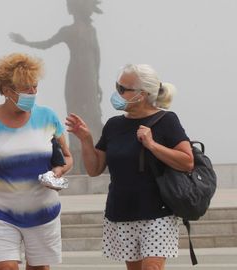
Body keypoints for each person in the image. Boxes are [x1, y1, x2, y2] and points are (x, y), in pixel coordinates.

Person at [65, 64, 194, 270]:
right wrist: (86, 140)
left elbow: (187, 161)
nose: (117, 93)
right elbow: (94, 169)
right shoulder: (114, 125)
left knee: (152, 267)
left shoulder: (166, 120)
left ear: (142, 94)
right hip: (122, 210)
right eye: (118, 86)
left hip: (158, 212)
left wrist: (152, 145)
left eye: (123, 89)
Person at [0, 53, 73, 270]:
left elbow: (67, 157)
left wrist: (57, 173)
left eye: (34, 86)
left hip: (43, 212)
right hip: (1, 214)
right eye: (25, 88)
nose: (32, 92)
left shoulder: (48, 117)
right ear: (5, 90)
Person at [9, 0, 104, 174]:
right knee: (74, 114)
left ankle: (97, 155)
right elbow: (46, 44)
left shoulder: (91, 31)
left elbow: (96, 57)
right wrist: (25, 42)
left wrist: (97, 82)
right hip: (75, 77)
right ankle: (77, 157)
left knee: (93, 113)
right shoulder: (67, 31)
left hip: (89, 77)